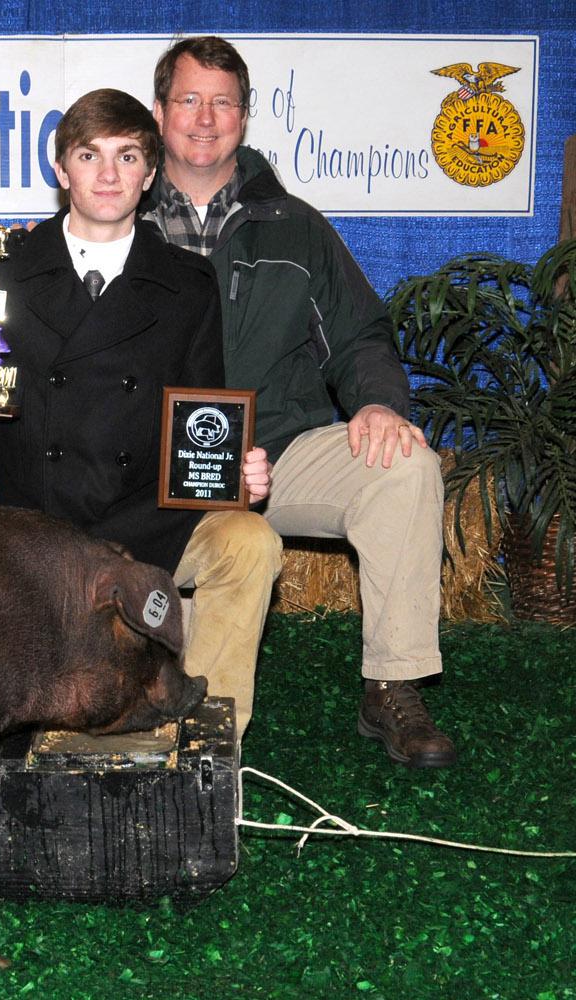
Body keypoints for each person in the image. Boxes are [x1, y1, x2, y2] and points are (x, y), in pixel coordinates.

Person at [142, 36, 454, 767]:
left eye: (223, 102)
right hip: (155, 468)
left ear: (244, 118)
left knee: (405, 466)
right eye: (188, 100)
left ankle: (392, 684)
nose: (205, 118)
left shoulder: (296, 225)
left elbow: (360, 333)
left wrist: (378, 402)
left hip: (278, 451)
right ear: (160, 113)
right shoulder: (121, 217)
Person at [0, 88, 279, 735]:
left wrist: (233, 470)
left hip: (150, 521)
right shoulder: (4, 275)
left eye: (127, 157)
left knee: (248, 539)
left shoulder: (188, 283)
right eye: (89, 156)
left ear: (149, 175)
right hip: (44, 528)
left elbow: (202, 415)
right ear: (62, 170)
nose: (108, 174)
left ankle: (206, 736)